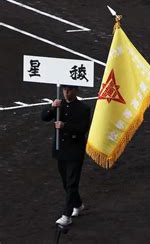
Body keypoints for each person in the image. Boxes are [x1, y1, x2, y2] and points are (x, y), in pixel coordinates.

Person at [41, 86, 91, 226]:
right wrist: (51, 107)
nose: (66, 93)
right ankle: (78, 204)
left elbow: (83, 129)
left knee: (71, 182)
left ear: (76, 91)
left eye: (69, 90)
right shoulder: (58, 105)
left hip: (75, 150)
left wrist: (65, 126)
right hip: (61, 149)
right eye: (64, 90)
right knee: (66, 182)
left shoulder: (84, 108)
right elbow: (44, 117)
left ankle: (66, 215)